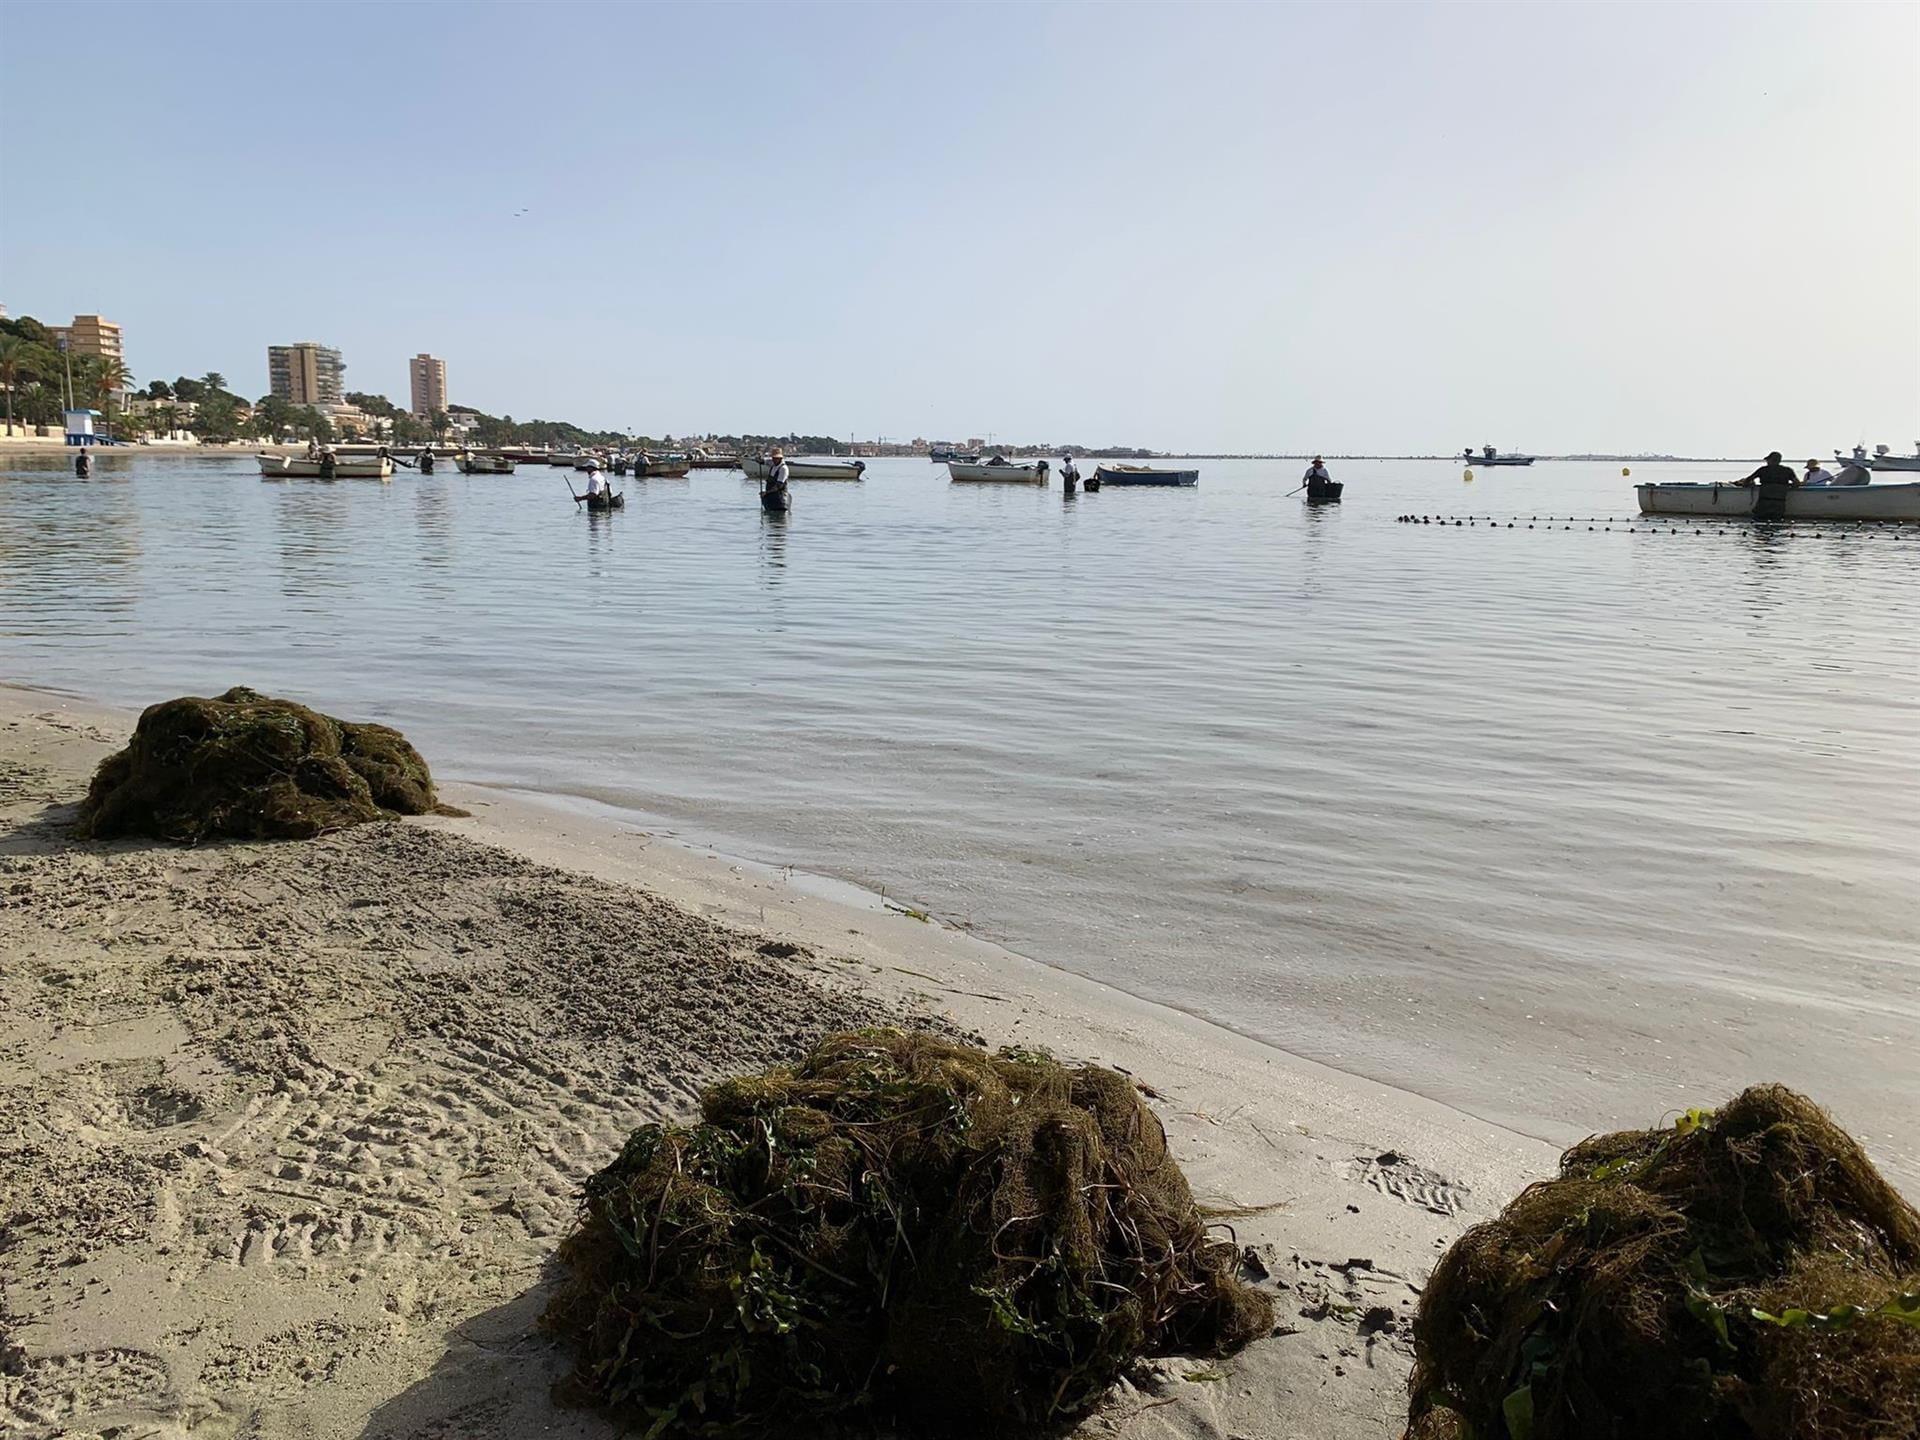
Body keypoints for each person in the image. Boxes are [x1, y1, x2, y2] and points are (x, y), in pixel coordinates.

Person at [1735, 450, 1798, 519]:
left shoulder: (1763, 470)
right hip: (1779, 504)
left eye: (1767, 460)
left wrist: (1748, 484)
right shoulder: (1788, 470)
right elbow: (1796, 483)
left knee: (1759, 521)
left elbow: (1747, 481)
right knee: (1776, 523)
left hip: (1764, 503)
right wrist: (1788, 487)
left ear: (1770, 460)